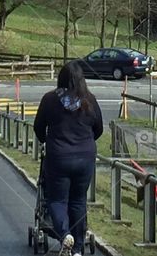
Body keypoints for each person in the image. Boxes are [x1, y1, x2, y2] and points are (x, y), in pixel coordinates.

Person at [34, 61, 103, 256]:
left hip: (58, 157)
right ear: (82, 80)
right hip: (85, 158)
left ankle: (65, 235)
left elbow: (39, 127)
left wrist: (45, 141)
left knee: (57, 200)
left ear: (61, 78)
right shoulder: (90, 100)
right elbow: (98, 128)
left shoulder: (49, 100)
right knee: (78, 201)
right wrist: (86, 142)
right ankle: (79, 249)